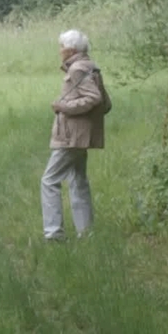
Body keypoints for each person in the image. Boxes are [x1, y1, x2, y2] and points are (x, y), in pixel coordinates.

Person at [41, 29, 111, 241]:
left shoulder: (78, 69)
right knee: (77, 180)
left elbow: (94, 98)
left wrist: (64, 106)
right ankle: (86, 233)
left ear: (70, 49)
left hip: (71, 136)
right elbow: (106, 104)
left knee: (49, 181)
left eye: (61, 46)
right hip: (81, 136)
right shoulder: (91, 67)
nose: (60, 51)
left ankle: (54, 234)